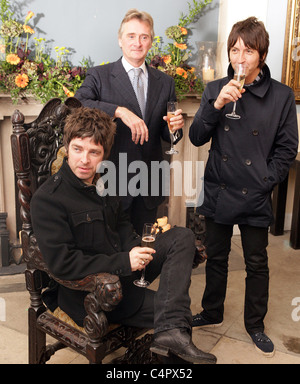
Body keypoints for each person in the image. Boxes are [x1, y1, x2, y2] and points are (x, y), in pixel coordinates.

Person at [30, 106, 216, 364]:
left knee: (181, 237)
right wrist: (124, 262)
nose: (84, 160)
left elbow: (121, 225)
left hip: (124, 272)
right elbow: (63, 264)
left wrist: (135, 249)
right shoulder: (47, 200)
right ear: (66, 148)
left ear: (104, 154)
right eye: (77, 149)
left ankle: (167, 334)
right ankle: (164, 339)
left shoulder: (104, 180)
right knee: (179, 319)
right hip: (90, 295)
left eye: (94, 152)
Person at [189, 17, 298, 357]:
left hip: (255, 193)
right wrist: (216, 104)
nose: (240, 57)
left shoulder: (281, 96)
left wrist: (265, 180)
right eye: (235, 49)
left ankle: (255, 324)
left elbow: (287, 148)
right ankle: (212, 311)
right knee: (216, 257)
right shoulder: (214, 89)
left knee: (256, 261)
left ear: (261, 55)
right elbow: (195, 137)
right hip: (219, 189)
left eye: (248, 50)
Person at [75, 9, 184, 235]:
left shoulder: (165, 82)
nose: (137, 42)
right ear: (120, 40)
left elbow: (166, 133)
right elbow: (77, 103)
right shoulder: (99, 75)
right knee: (112, 250)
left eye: (144, 37)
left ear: (151, 41)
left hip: (149, 184)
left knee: (144, 248)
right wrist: (119, 111)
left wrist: (175, 128)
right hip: (111, 180)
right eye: (131, 36)